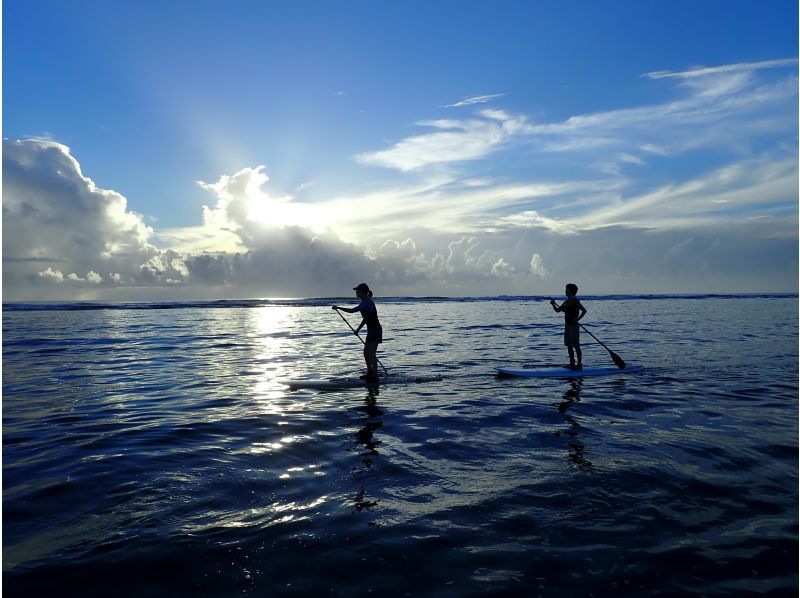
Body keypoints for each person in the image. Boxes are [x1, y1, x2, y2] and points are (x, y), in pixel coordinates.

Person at [332, 283, 383, 379]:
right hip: (372, 330)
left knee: (371, 353)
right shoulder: (364, 302)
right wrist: (357, 330)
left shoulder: (366, 302)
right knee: (365, 352)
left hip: (375, 330)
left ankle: (375, 376)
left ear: (363, 292)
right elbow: (366, 319)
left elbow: (352, 311)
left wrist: (338, 308)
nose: (356, 292)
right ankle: (370, 372)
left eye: (358, 290)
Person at [550, 283, 587, 370]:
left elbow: (584, 311)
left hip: (574, 326)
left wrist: (577, 319)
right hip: (567, 326)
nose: (565, 291)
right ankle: (572, 364)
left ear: (571, 291)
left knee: (576, 345)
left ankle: (579, 364)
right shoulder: (566, 302)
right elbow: (558, 310)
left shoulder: (575, 301)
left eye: (567, 289)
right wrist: (553, 304)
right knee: (569, 345)